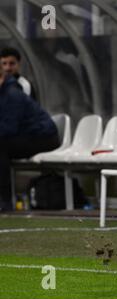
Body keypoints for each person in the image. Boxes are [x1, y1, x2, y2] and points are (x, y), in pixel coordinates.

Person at [0, 62, 59, 211]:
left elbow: (9, 128)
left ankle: (6, 201)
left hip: (45, 137)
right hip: (27, 135)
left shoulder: (12, 94)